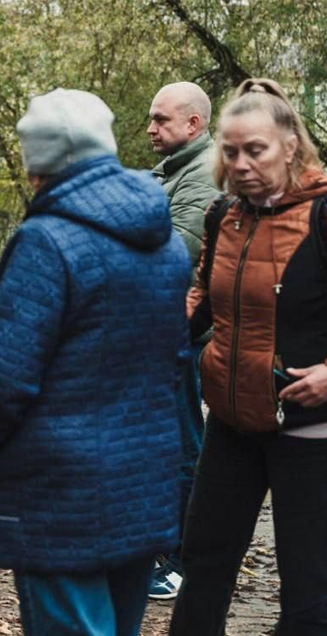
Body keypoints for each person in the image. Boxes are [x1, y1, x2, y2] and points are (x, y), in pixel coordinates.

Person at [125, 79, 327, 636]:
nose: (240, 164)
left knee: (306, 582)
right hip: (233, 424)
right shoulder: (225, 214)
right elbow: (203, 299)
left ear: (290, 147)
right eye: (231, 152)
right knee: (206, 557)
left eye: (255, 150)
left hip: (311, 433)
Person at [0, 89, 190, 636]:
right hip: (143, 487)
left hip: (63, 499)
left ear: (38, 164)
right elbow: (174, 364)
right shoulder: (165, 241)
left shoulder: (47, 243)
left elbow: (1, 375)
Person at [146, 81, 222, 599]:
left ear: (193, 124)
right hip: (159, 331)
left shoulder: (205, 174)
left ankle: (181, 560)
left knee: (183, 445)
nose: (151, 128)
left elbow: (176, 251)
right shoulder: (169, 171)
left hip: (186, 332)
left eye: (160, 120)